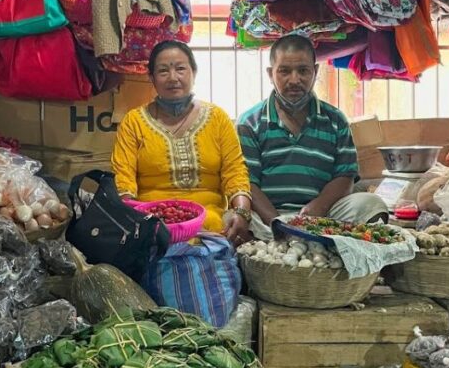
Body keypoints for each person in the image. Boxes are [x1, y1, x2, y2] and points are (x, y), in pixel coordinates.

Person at [238, 35, 389, 240]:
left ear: (315, 71)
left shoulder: (335, 120)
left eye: (303, 71)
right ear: (270, 74)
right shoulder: (250, 123)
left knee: (370, 204)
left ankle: (319, 241)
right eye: (284, 71)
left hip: (322, 215)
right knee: (235, 217)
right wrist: (278, 223)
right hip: (267, 219)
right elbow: (247, 184)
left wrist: (318, 208)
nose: (294, 80)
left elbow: (345, 176)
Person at [112, 41, 254, 245]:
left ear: (193, 73)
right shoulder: (133, 122)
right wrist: (134, 220)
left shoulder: (218, 118)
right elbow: (123, 179)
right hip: (153, 225)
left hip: (211, 223)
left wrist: (241, 212)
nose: (173, 78)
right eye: (163, 71)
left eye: (180, 69)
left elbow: (235, 171)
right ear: (151, 78)